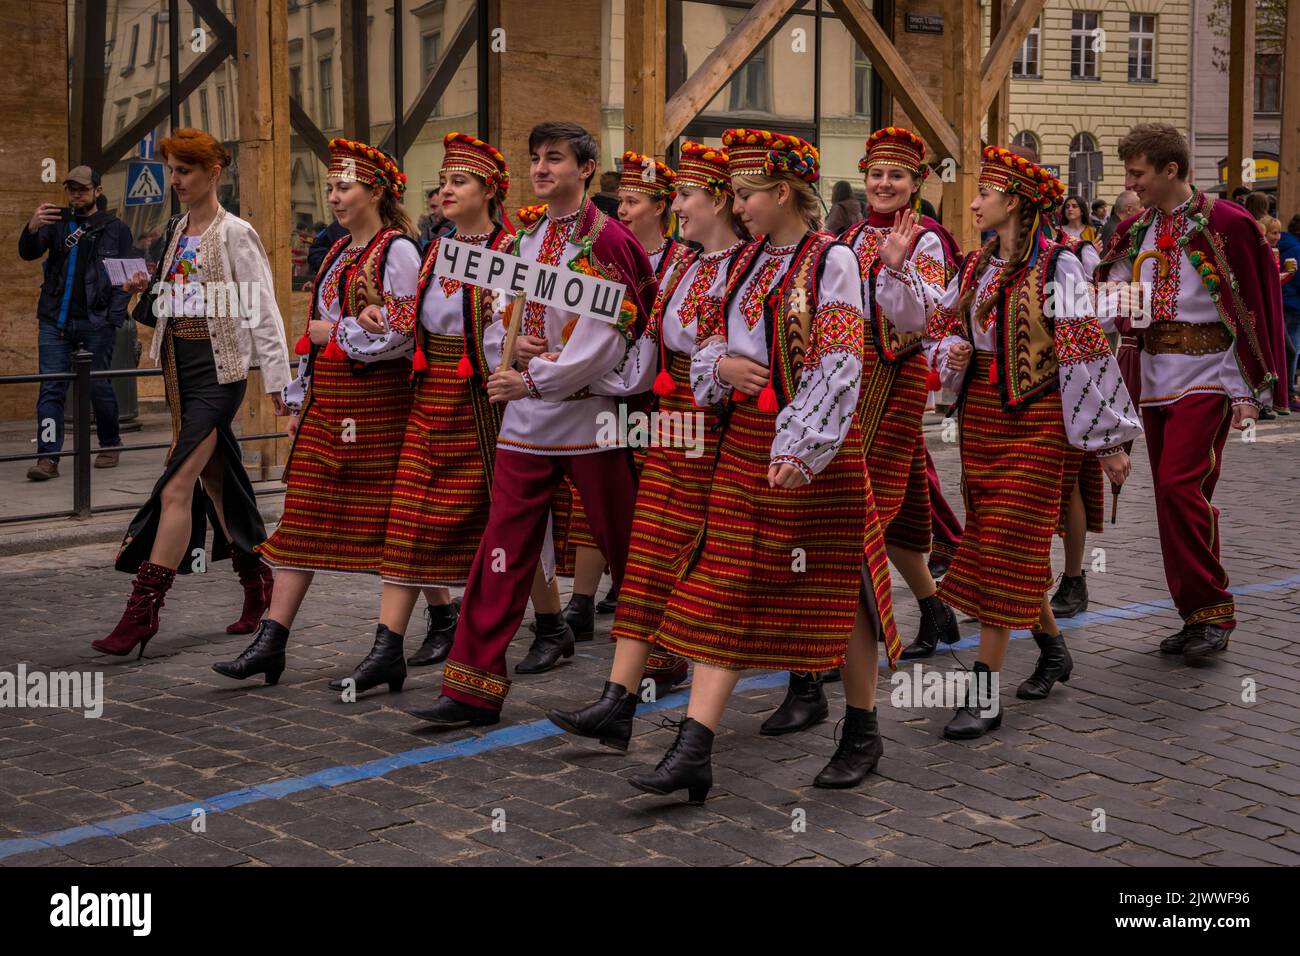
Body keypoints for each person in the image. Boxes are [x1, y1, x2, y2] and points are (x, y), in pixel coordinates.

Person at [620, 127, 903, 801]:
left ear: (782, 193)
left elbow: (839, 363)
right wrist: (720, 365)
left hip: (814, 453)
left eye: (746, 194)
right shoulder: (750, 263)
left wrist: (801, 446)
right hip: (747, 445)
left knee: (843, 587)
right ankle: (694, 748)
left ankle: (862, 728)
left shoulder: (829, 261)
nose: (737, 204)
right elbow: (713, 338)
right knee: (725, 578)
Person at [406, 120, 657, 729]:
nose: (542, 169)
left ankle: (663, 654)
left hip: (590, 418)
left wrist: (537, 376)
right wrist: (507, 353)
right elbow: (501, 316)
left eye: (555, 159)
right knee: (502, 545)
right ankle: (472, 687)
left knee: (623, 538)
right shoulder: (524, 238)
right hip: (527, 420)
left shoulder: (610, 241)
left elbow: (614, 335)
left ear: (585, 169)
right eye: (536, 159)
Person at [924, 145, 1141, 740]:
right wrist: (952, 352)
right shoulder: (977, 266)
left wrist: (1107, 443)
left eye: (984, 194)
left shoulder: (1060, 266)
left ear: (1014, 202)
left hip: (1040, 421)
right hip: (983, 420)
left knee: (1002, 545)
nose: (972, 202)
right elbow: (939, 327)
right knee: (1003, 545)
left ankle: (985, 690)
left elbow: (1083, 350)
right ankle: (1051, 648)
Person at [546, 140, 749, 746]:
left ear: (720, 200)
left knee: (730, 570)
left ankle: (812, 678)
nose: (677, 206)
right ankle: (617, 700)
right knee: (650, 555)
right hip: (671, 427)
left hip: (727, 432)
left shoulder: (751, 266)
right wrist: (572, 371)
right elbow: (645, 354)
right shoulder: (682, 268)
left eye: (685, 195)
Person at [213, 137, 421, 687]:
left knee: (390, 528)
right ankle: (271, 641)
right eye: (330, 187)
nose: (333, 196)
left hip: (377, 409)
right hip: (330, 405)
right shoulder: (336, 253)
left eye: (344, 186)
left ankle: (394, 645)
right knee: (301, 516)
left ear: (375, 191)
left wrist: (340, 333)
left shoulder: (397, 250)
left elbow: (404, 332)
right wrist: (298, 400)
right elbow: (312, 337)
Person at [324, 132, 517, 692]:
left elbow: (518, 324)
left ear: (489, 191)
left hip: (483, 399)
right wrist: (381, 321)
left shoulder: (510, 252)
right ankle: (388, 648)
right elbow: (414, 316)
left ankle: (551, 621)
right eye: (444, 182)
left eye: (459, 182)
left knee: (502, 522)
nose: (446, 191)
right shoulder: (437, 248)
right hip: (431, 395)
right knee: (406, 518)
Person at [92, 129, 291, 658]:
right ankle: (259, 583)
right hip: (179, 367)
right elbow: (177, 298)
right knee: (216, 478)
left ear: (213, 173)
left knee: (177, 484)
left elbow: (262, 309)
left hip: (219, 371)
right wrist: (147, 288)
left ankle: (142, 611)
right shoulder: (178, 228)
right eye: (172, 171)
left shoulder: (235, 233)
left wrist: (278, 382)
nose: (175, 181)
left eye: (184, 171)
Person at [1098, 123, 1288, 663]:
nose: (1131, 186)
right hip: (1152, 376)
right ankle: (1194, 612)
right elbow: (1108, 297)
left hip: (1208, 374)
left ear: (1170, 170)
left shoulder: (1228, 223)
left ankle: (1214, 608)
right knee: (1166, 496)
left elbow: (1253, 303)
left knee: (1183, 486)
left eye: (1138, 174)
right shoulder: (1134, 231)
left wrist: (1249, 386)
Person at [792, 126, 960, 688]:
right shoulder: (852, 234)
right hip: (848, 373)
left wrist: (896, 264)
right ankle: (936, 610)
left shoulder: (927, 238)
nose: (884, 183)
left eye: (897, 175)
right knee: (894, 514)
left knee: (855, 509)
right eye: (877, 174)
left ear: (915, 183)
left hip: (893, 373)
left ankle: (835, 641)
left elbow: (922, 318)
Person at [552, 150, 687, 638]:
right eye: (621, 202)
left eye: (633, 202)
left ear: (661, 208)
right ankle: (582, 602)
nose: (622, 211)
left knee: (653, 496)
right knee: (597, 494)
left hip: (659, 398)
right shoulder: (603, 252)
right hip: (607, 392)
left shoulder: (680, 260)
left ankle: (652, 598)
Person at [19, 165, 134, 480]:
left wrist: (112, 318)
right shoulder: (56, 224)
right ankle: (48, 457)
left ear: (97, 191)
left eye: (83, 189)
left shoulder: (116, 229)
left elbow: (127, 279)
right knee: (51, 389)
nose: (76, 194)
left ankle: (110, 442)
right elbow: (28, 254)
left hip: (97, 323)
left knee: (99, 386)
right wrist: (30, 228)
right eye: (72, 189)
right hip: (54, 322)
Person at [1277, 214, 1300, 401]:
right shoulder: (1297, 248)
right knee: (1292, 350)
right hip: (1294, 303)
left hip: (1283, 300)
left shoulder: (1283, 245)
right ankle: (1288, 392)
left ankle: (1286, 390)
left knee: (1288, 349)